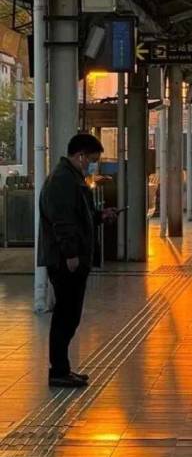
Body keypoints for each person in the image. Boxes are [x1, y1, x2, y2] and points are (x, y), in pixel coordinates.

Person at [38, 133, 118, 387]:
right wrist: (71, 254)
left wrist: (100, 216)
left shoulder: (71, 178)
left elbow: (79, 215)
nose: (92, 165)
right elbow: (62, 221)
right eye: (92, 160)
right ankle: (58, 371)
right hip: (65, 260)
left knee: (70, 315)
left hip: (71, 258)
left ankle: (62, 368)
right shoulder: (62, 180)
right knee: (65, 315)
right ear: (80, 155)